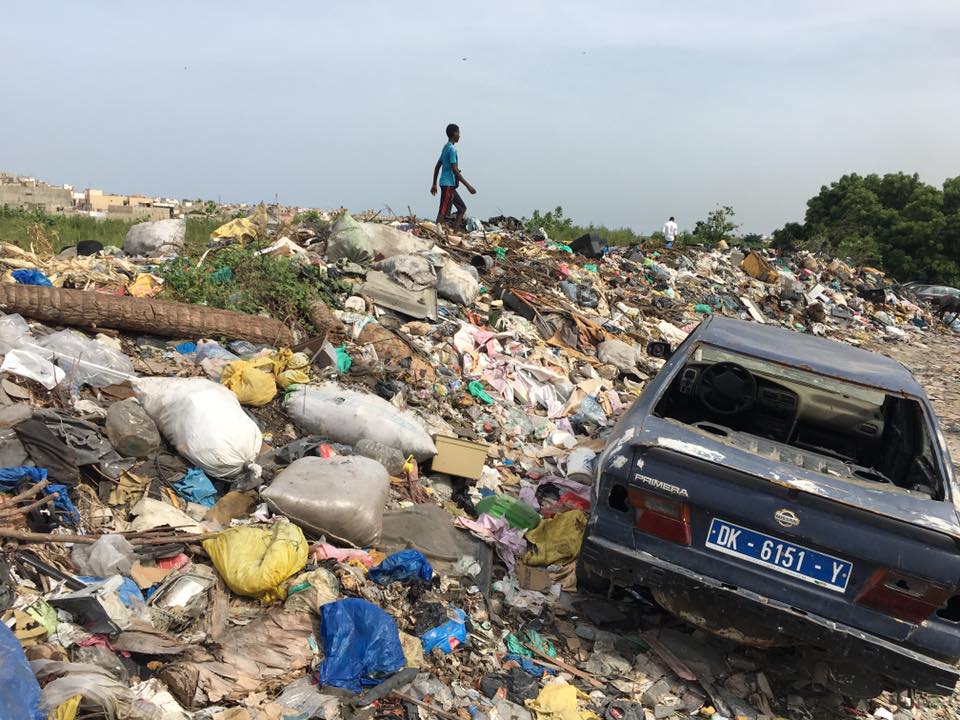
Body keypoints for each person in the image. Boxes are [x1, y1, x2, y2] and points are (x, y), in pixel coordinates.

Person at [431, 123, 476, 229]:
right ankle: (436, 232)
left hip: (449, 184)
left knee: (462, 208)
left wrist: (434, 184)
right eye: (458, 133)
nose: (459, 135)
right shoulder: (451, 149)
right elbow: (454, 170)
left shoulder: (445, 147)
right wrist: (468, 186)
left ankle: (455, 233)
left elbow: (438, 166)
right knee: (443, 210)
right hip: (447, 184)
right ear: (454, 133)